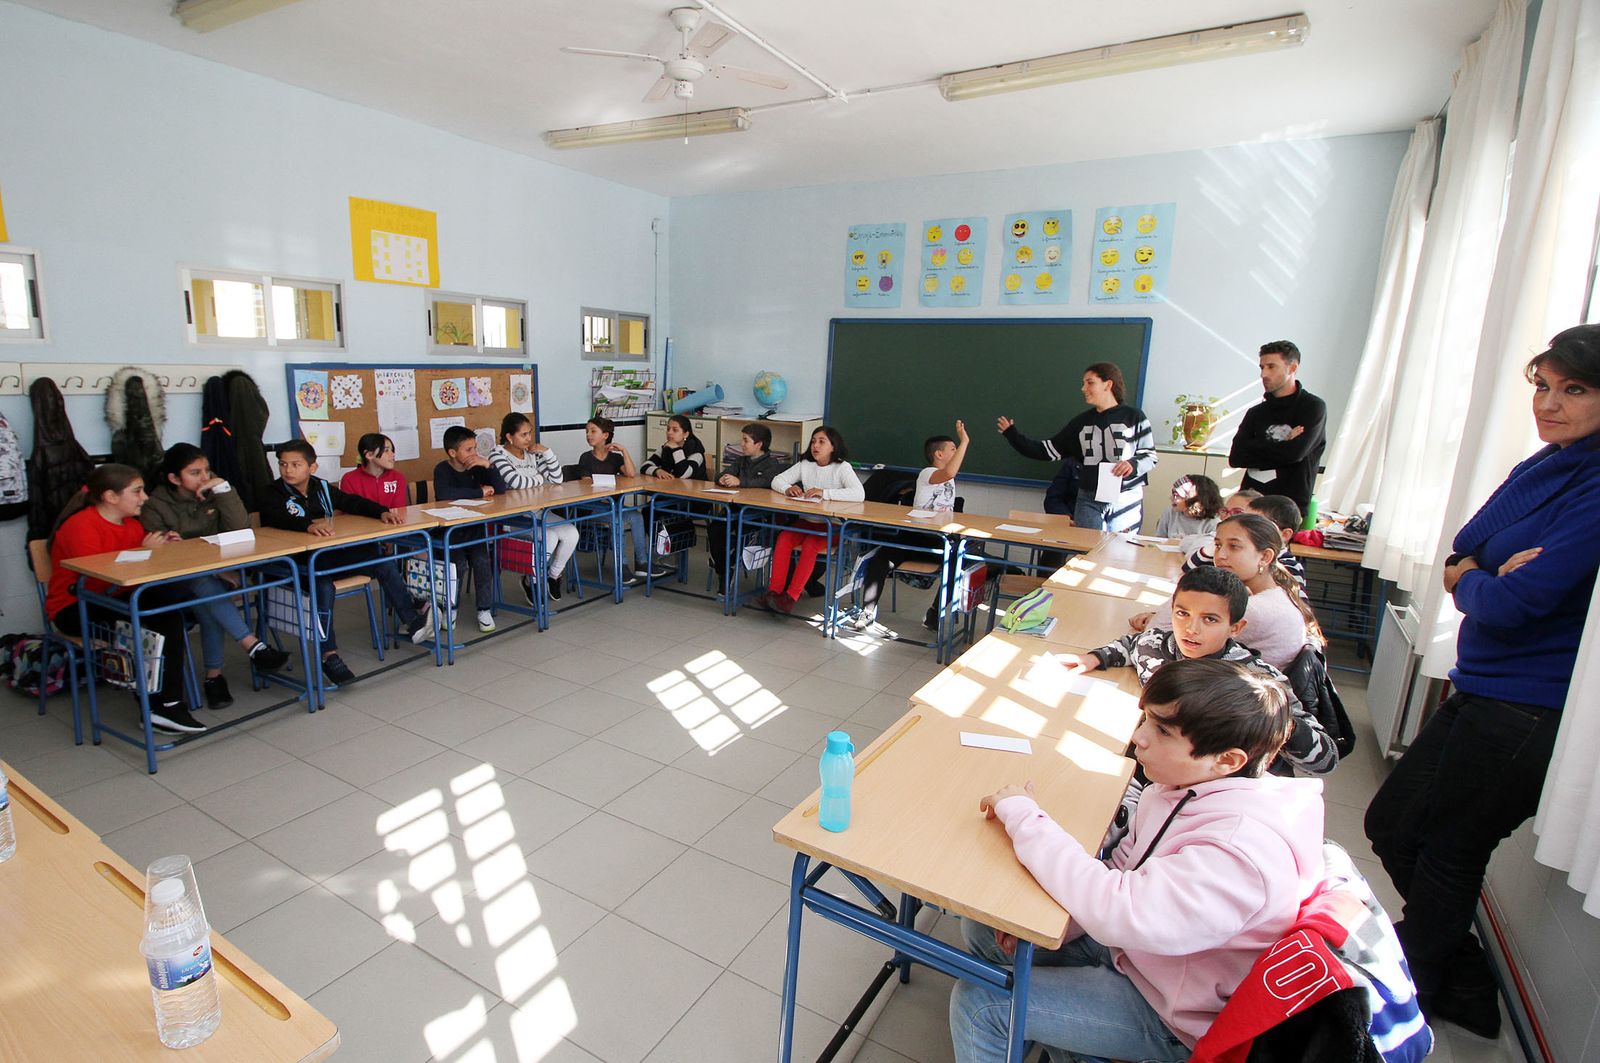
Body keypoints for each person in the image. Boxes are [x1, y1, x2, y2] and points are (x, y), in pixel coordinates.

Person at [1365, 325, 1600, 1040]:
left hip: (1527, 705)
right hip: (1485, 685)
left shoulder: (1594, 481)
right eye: (1542, 384)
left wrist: (1475, 578)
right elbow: (1466, 542)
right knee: (1390, 826)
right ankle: (1462, 976)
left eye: (1575, 389)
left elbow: (1515, 600)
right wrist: (1479, 570)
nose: (1549, 403)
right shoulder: (1550, 462)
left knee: (1447, 851)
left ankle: (1415, 989)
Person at [949, 658, 1324, 1063]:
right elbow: (1124, 869)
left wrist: (1026, 816)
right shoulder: (1180, 786)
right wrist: (1066, 925)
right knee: (990, 929)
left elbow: (1118, 908)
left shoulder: (1240, 850)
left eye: (1162, 731)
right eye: (1145, 719)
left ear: (1228, 760)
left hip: (1173, 1015)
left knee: (981, 1004)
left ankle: (1041, 1032)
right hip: (1141, 955)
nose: (1139, 737)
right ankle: (1053, 1040)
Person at [1060, 566, 1337, 775]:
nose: (1191, 629)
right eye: (1182, 614)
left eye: (1210, 619)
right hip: (1154, 767)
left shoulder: (1256, 679)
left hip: (1214, 789)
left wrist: (1272, 719)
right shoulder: (1156, 645)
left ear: (1235, 628)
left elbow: (1326, 759)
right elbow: (1132, 643)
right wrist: (1095, 658)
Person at [48, 464, 209, 734]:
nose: (144, 498)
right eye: (137, 491)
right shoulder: (81, 526)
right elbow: (97, 579)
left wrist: (164, 550)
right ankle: (157, 708)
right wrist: (145, 553)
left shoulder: (133, 526)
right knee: (146, 625)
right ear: (111, 496)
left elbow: (134, 577)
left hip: (117, 598)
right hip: (76, 606)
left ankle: (167, 705)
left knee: (169, 615)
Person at [262, 439, 434, 685]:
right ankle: (328, 655)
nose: (288, 470)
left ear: (312, 468)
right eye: (283, 464)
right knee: (322, 586)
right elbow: (275, 517)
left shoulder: (320, 487)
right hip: (294, 563)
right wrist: (308, 525)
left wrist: (380, 511)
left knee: (381, 561)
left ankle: (412, 621)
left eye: (295, 464)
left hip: (324, 555)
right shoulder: (273, 492)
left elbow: (351, 502)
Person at [141, 443, 290, 709]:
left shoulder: (212, 494)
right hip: (174, 583)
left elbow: (240, 529)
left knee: (209, 603)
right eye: (195, 472)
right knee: (203, 585)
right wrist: (213, 566)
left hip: (214, 577)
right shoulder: (154, 506)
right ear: (174, 478)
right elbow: (164, 556)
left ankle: (216, 677)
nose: (204, 477)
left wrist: (223, 488)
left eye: (207, 470)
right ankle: (252, 648)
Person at [1133, 513, 1318, 670]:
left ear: (1265, 556)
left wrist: (1174, 613)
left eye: (1234, 547)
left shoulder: (1253, 608)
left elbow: (1154, 634)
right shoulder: (1275, 592)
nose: (1220, 556)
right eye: (1218, 545)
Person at [997, 362, 1156, 531]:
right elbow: (1047, 451)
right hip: (1089, 498)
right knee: (1086, 547)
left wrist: (1132, 464)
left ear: (1108, 384)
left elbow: (1150, 457)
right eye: (1083, 383)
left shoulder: (1134, 417)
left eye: (1090, 382)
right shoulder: (1081, 422)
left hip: (1126, 496)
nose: (1083, 388)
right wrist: (1013, 436)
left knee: (1119, 551)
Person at [846, 421, 970, 633]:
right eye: (952, 449)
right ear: (939, 454)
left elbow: (950, 475)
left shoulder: (949, 478)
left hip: (939, 540)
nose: (957, 451)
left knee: (959, 566)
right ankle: (868, 612)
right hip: (915, 537)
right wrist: (965, 440)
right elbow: (948, 473)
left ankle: (934, 612)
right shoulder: (927, 473)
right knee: (880, 560)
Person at [761, 426, 864, 614]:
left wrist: (824, 493)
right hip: (806, 521)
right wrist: (787, 488)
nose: (815, 445)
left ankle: (790, 597)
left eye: (822, 441)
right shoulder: (805, 464)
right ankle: (774, 592)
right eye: (813, 441)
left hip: (832, 526)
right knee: (783, 538)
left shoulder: (842, 467)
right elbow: (777, 480)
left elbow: (859, 494)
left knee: (810, 545)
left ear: (833, 446)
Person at [1227, 341, 1327, 514]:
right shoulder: (1256, 412)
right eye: (1262, 367)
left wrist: (1254, 446)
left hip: (1289, 507)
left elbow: (1295, 454)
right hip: (1250, 505)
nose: (1263, 374)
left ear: (1292, 368)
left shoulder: (1312, 407)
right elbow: (1236, 457)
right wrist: (1284, 444)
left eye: (1271, 367)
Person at [489, 412, 578, 604]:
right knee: (550, 537)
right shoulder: (497, 454)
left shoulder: (532, 454)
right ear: (509, 437)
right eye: (523, 435)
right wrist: (539, 479)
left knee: (572, 533)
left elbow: (556, 479)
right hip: (514, 518)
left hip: (538, 513)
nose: (529, 438)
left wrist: (548, 453)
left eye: (530, 433)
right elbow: (515, 482)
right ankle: (533, 581)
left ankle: (552, 576)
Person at [575, 416, 671, 587]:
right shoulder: (585, 458)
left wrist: (624, 451)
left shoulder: (614, 458)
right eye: (587, 432)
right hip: (593, 507)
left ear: (605, 435)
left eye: (593, 431)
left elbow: (631, 474)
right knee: (618, 521)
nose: (588, 435)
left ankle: (642, 563)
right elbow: (586, 485)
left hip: (612, 506)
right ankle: (622, 567)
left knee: (637, 517)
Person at [433, 425, 507, 633]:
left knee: (483, 562)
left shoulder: (477, 467)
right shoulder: (442, 469)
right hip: (451, 531)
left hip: (474, 529)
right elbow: (444, 493)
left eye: (475, 448)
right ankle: (451, 608)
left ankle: (484, 609)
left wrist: (489, 466)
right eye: (468, 450)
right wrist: (478, 492)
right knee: (458, 565)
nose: (473, 454)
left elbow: (500, 490)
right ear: (452, 453)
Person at [707, 423, 783, 582]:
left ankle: (728, 565)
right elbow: (723, 474)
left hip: (756, 514)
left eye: (745, 440)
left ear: (759, 444)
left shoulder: (773, 464)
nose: (741, 444)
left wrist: (739, 481)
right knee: (715, 529)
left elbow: (765, 482)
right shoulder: (741, 460)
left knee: (744, 535)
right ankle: (725, 569)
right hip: (735, 510)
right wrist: (721, 478)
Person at [1182, 493, 1307, 587]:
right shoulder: (1232, 553)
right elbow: (1188, 570)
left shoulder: (1290, 566)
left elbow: (1301, 609)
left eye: (1256, 524)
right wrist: (1219, 543)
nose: (1244, 526)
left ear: (1285, 534)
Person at [339, 433, 408, 508]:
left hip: (391, 519)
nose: (393, 455)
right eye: (386, 450)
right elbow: (350, 512)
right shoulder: (349, 479)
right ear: (369, 455)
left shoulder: (397, 478)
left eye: (392, 450)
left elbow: (399, 510)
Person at [640, 413, 709, 481]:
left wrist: (676, 449)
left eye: (675, 430)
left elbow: (684, 474)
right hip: (670, 487)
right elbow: (644, 466)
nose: (669, 433)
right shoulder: (665, 447)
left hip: (693, 490)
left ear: (686, 434)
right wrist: (657, 471)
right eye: (668, 429)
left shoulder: (696, 453)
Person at [1153, 474, 1223, 539]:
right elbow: (1159, 540)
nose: (1171, 498)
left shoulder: (1213, 524)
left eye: (1176, 495)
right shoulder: (1169, 513)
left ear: (1194, 500)